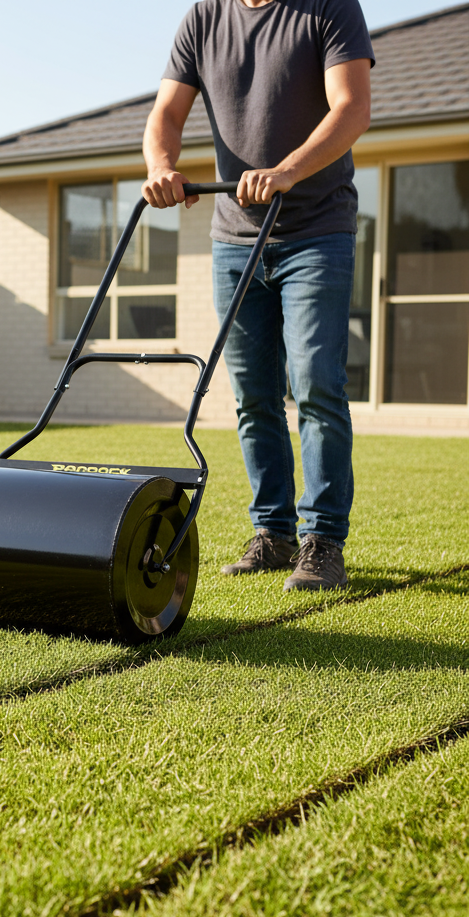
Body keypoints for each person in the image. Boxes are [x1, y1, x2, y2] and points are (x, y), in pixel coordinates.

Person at [142, 0, 374, 591]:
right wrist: (163, 167)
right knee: (252, 394)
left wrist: (289, 170)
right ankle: (273, 534)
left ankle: (322, 542)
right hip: (235, 240)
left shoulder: (328, 8)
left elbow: (351, 108)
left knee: (317, 384)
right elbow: (166, 113)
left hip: (316, 231)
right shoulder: (203, 17)